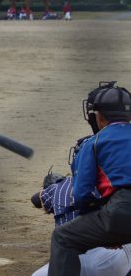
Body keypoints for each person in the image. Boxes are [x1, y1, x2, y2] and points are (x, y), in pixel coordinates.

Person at [47, 82, 131, 276]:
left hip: (122, 209)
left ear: (99, 117)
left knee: (63, 237)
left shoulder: (94, 142)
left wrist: (107, 225)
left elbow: (81, 194)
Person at [31, 165, 131, 275]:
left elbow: (35, 199)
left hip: (67, 261)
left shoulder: (54, 189)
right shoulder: (100, 182)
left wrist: (51, 200)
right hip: (106, 260)